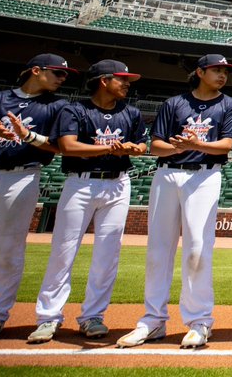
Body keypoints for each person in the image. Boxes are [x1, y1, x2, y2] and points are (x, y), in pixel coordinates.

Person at [117, 55, 232, 350]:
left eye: (225, 71)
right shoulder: (175, 103)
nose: (222, 75)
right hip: (168, 174)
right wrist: (179, 146)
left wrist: (195, 144)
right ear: (199, 72)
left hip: (204, 176)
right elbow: (156, 145)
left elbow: (226, 145)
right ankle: (153, 320)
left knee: (198, 249)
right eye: (216, 70)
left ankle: (199, 321)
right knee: (158, 250)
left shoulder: (229, 105)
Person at [28, 59, 148, 344]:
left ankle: (93, 316)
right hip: (80, 182)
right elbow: (67, 146)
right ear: (104, 81)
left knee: (108, 254)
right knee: (63, 252)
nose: (128, 84)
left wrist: (133, 148)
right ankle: (48, 318)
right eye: (122, 79)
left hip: (118, 183)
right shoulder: (76, 109)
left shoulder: (130, 112)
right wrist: (109, 148)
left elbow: (143, 145)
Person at [0, 54, 73, 342]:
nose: (62, 78)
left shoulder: (58, 106)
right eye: (57, 73)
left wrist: (27, 135)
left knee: (9, 250)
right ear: (36, 70)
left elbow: (58, 146)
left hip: (22, 175)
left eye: (65, 75)